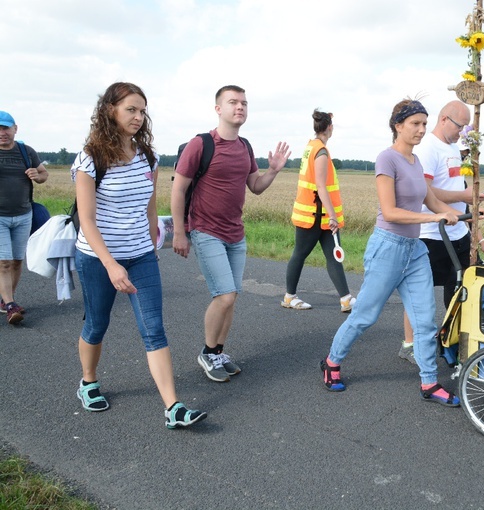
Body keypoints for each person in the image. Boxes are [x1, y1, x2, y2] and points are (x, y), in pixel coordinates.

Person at [72, 82, 206, 429]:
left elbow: (149, 208)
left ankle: (173, 407)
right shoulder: (91, 157)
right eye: (131, 109)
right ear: (110, 110)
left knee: (154, 330)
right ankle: (88, 381)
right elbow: (86, 219)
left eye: (142, 110)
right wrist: (110, 263)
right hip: (98, 258)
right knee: (96, 324)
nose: (138, 116)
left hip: (141, 256)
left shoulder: (149, 156)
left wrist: (151, 244)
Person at [320, 98, 465, 407]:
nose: (422, 130)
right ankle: (332, 362)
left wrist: (462, 212)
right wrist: (434, 218)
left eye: (425, 124)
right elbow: (391, 211)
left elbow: (432, 202)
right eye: (415, 124)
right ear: (398, 125)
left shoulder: (416, 162)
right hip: (388, 248)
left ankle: (429, 382)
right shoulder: (387, 159)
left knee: (425, 320)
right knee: (364, 316)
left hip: (415, 251)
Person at [171, 85, 291, 383]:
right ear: (218, 109)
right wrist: (179, 232)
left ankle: (218, 352)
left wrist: (273, 170)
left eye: (244, 103)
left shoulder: (244, 147)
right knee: (224, 296)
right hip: (205, 230)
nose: (240, 107)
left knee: (232, 296)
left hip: (235, 234)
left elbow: (255, 187)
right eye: (233, 102)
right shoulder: (200, 144)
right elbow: (178, 188)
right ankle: (208, 353)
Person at [399, 100, 484, 363]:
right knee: (420, 290)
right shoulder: (429, 148)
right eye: (459, 126)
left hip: (457, 231)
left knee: (463, 287)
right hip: (431, 233)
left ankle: (454, 340)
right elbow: (425, 191)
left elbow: (459, 190)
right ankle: (409, 344)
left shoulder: (453, 148)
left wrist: (475, 226)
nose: (461, 133)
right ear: (444, 119)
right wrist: (463, 196)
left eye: (466, 129)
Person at [282, 109, 355, 312]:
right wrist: (333, 216)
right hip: (315, 215)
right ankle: (289, 296)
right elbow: (321, 186)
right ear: (329, 128)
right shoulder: (321, 151)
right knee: (300, 253)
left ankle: (346, 299)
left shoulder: (311, 147)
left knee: (333, 255)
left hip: (319, 215)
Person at [0, 111, 49, 325]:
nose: (2, 133)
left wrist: (37, 176)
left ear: (15, 129)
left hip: (23, 214)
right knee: (4, 262)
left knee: (18, 260)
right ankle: (11, 305)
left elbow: (43, 174)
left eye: (6, 128)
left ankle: (5, 300)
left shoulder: (25, 151)